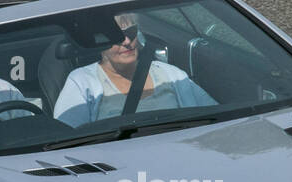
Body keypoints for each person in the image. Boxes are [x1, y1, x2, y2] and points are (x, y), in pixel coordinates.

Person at [52, 12, 216, 128]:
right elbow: (66, 134)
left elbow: (213, 117)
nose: (126, 41)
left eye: (131, 32)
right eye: (115, 36)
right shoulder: (82, 80)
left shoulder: (171, 74)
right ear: (98, 42)